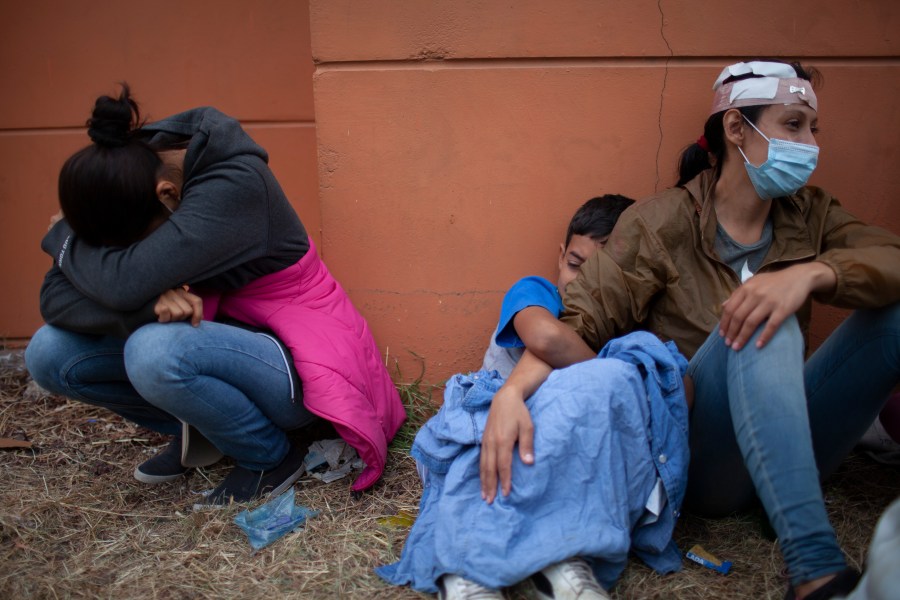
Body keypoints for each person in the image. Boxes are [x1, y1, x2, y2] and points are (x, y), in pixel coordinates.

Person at [479, 61, 900, 600]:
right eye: (793, 125)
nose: (810, 143)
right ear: (735, 129)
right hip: (708, 461)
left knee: (892, 318)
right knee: (758, 319)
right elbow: (577, 320)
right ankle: (814, 568)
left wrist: (812, 273)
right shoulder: (663, 222)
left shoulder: (812, 215)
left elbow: (890, 258)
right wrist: (513, 393)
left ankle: (791, 503)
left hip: (796, 444)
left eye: (813, 129)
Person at [25, 85, 406, 504]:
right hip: (215, 336)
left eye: (132, 247)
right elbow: (55, 296)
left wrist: (61, 236)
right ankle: (207, 429)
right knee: (49, 351)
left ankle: (268, 455)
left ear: (167, 196)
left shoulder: (233, 189)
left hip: (292, 357)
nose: (125, 256)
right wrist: (144, 308)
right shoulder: (131, 171)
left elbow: (122, 282)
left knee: (154, 351)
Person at [380, 195, 693, 600]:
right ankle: (473, 569)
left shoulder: (627, 327)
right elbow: (546, 338)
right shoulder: (539, 292)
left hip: (571, 461)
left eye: (600, 273)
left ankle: (562, 561)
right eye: (576, 265)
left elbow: (678, 391)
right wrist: (613, 379)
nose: (581, 283)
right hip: (499, 440)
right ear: (561, 255)